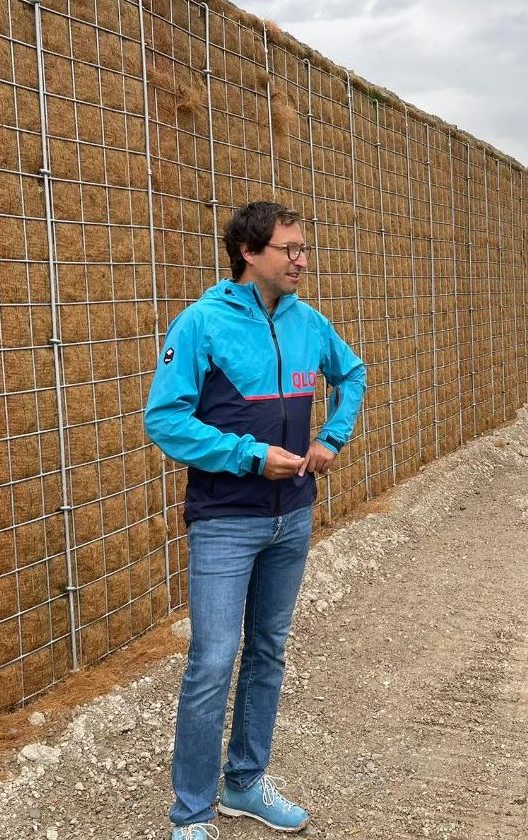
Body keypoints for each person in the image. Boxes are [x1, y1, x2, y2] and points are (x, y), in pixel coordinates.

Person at [145, 201, 367, 840]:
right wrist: (248, 456)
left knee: (267, 651)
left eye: (303, 247)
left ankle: (244, 783)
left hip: (292, 516)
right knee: (214, 660)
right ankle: (190, 812)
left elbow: (351, 375)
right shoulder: (201, 324)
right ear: (249, 253)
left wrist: (332, 438)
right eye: (289, 248)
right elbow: (164, 419)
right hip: (224, 521)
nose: (302, 259)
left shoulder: (309, 323)